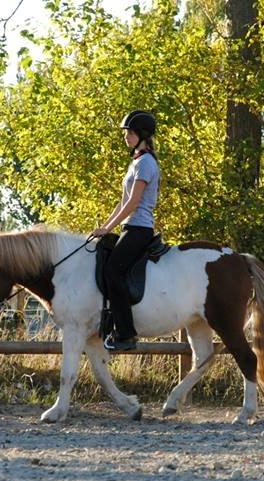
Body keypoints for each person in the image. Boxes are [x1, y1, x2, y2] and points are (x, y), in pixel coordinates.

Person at [91, 109, 161, 352]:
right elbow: (122, 202)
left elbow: (133, 203)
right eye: (126, 133)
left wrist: (108, 228)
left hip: (140, 229)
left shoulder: (146, 163)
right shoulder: (135, 163)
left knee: (112, 271)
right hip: (128, 227)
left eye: (130, 132)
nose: (126, 136)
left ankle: (127, 333)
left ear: (142, 135)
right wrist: (104, 228)